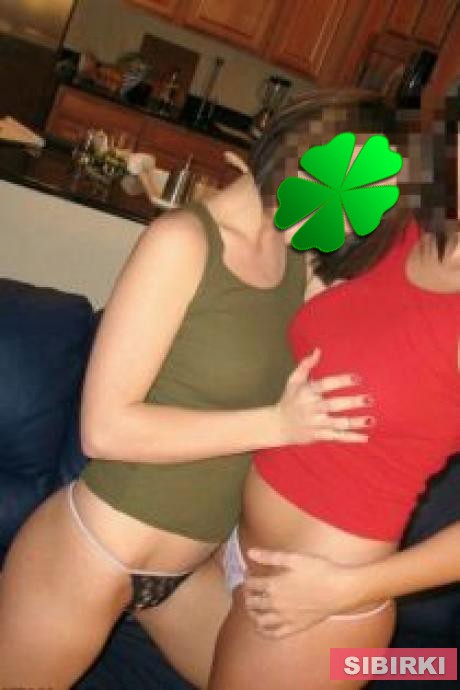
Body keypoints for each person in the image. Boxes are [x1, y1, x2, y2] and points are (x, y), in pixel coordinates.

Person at [0, 94, 372, 687]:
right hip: (94, 554)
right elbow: (105, 429)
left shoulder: (298, 259)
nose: (356, 224)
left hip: (183, 577)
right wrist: (277, 423)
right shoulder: (182, 241)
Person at [139, 86, 460, 690]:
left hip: (320, 601)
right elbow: (287, 221)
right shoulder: (398, 226)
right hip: (231, 550)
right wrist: (259, 182)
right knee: (130, 584)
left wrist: (348, 589)